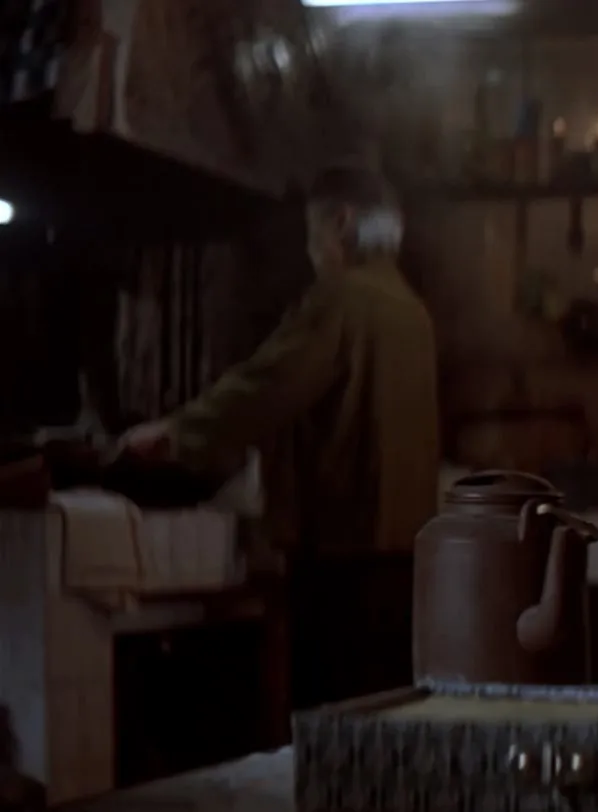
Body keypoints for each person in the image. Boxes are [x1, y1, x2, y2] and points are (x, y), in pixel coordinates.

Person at [122, 164, 440, 708]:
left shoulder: (343, 298)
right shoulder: (412, 312)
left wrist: (177, 432)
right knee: (383, 717)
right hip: (403, 561)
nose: (311, 251)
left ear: (341, 223)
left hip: (343, 562)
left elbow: (268, 385)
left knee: (333, 717)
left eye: (311, 233)